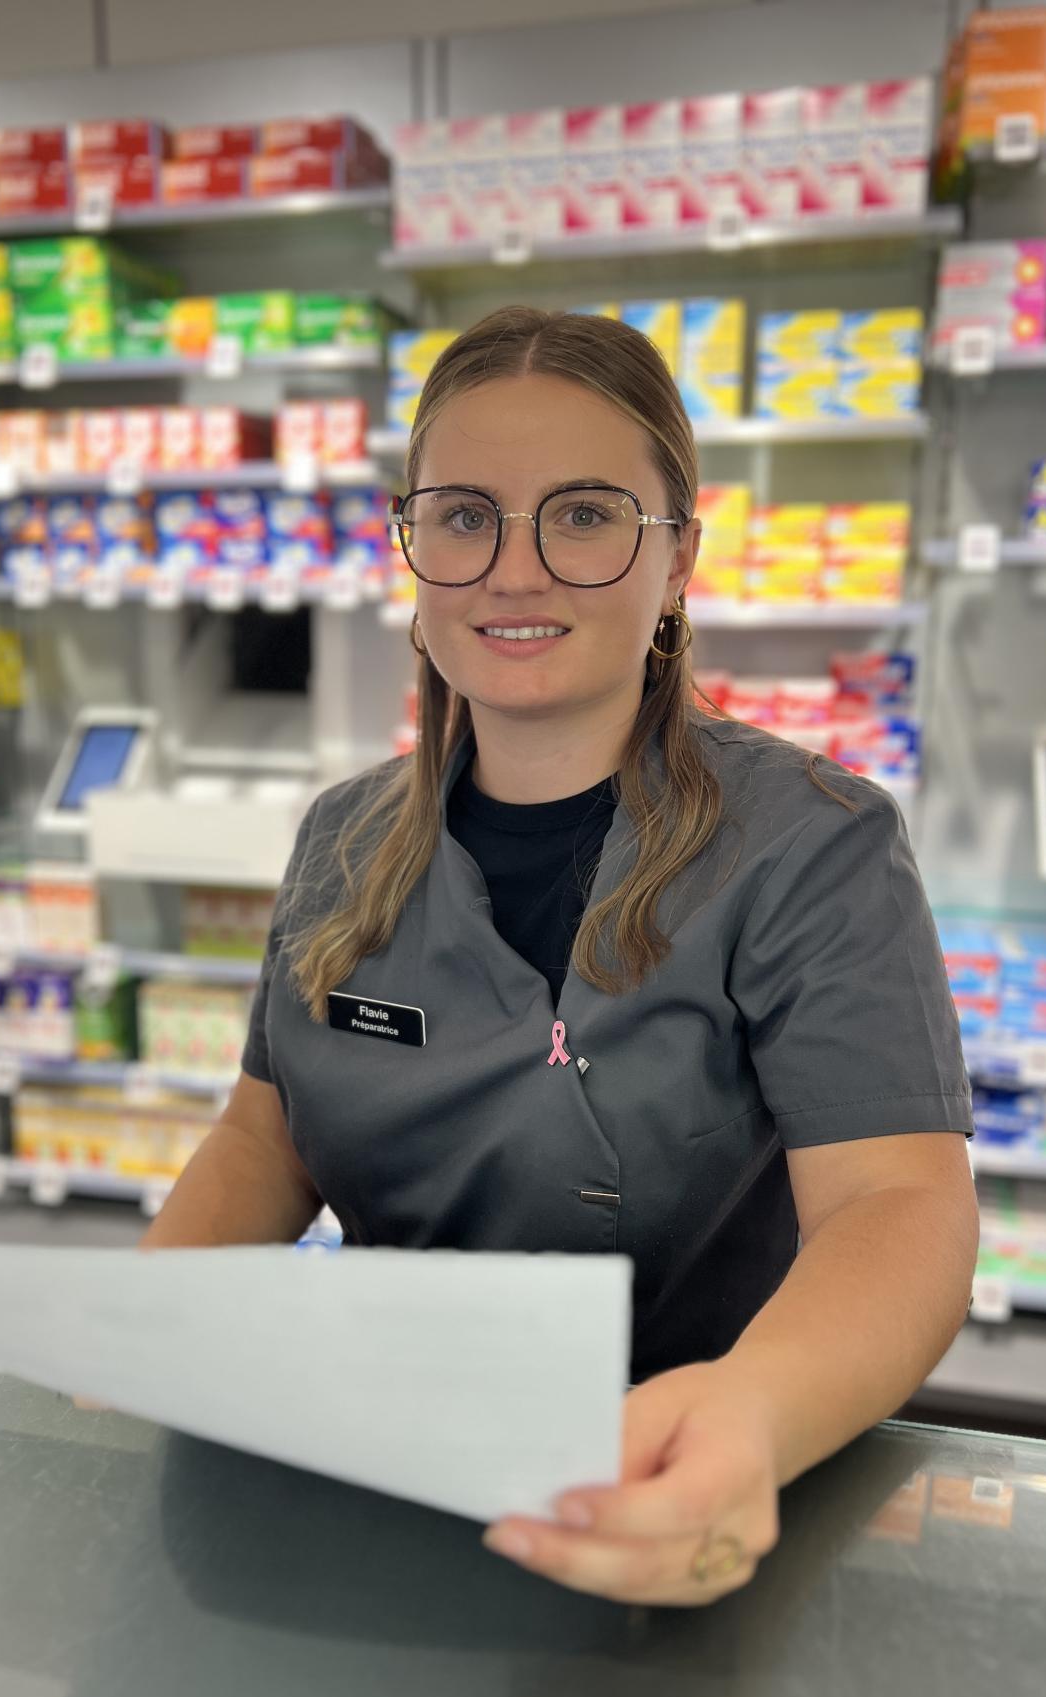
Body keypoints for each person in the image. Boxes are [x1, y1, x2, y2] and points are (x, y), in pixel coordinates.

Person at [146, 305, 979, 1608]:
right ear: (414, 546)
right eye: (464, 516)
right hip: (376, 1485)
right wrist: (139, 1330)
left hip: (681, 1507)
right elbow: (266, 1141)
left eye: (583, 516)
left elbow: (897, 1202)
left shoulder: (813, 843)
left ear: (679, 554)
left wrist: (747, 1419)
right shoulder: (341, 837)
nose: (513, 571)